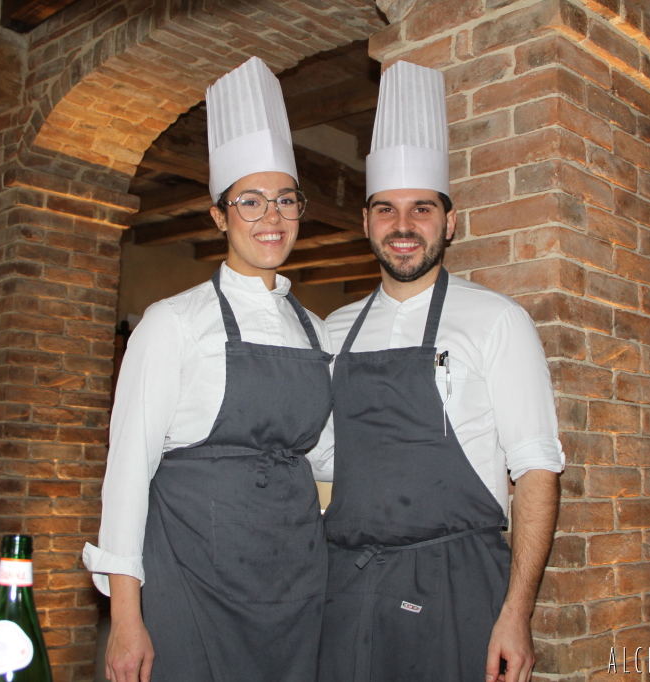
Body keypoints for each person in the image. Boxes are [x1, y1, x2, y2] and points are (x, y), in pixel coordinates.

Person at [83, 57, 334, 682]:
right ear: (219, 215)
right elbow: (127, 473)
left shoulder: (315, 329)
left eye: (285, 200)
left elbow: (329, 458)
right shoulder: (172, 323)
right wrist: (126, 618)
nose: (271, 217)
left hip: (296, 583)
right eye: (250, 201)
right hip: (191, 584)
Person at [316, 61, 565, 682]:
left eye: (421, 209)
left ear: (449, 223)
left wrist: (517, 612)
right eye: (386, 209)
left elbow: (536, 469)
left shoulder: (497, 320)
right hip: (348, 583)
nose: (403, 226)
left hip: (458, 582)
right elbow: (322, 462)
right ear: (366, 222)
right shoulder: (333, 330)